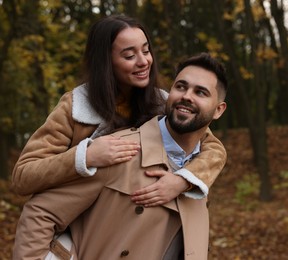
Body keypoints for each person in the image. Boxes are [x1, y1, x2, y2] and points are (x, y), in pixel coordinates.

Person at [13, 52, 228, 260]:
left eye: (201, 92)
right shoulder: (116, 151)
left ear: (218, 110)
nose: (187, 96)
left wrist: (184, 180)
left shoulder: (198, 171)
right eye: (181, 86)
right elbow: (39, 212)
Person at [11, 15, 226, 204]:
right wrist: (84, 156)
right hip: (81, 229)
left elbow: (213, 148)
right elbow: (23, 177)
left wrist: (182, 181)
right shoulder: (75, 107)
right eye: (129, 55)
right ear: (106, 61)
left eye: (146, 50)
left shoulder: (165, 102)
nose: (144, 62)